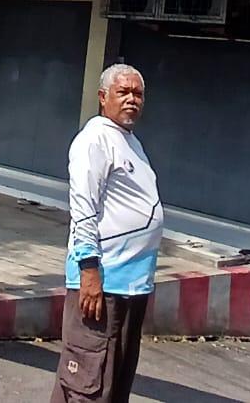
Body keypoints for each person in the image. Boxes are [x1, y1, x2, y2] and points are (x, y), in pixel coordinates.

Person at [51, 63, 163, 403]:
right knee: (88, 381)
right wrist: (88, 272)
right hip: (102, 282)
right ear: (103, 97)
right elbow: (83, 206)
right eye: (123, 92)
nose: (132, 99)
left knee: (114, 383)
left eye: (138, 94)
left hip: (130, 286)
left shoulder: (130, 142)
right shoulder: (95, 139)